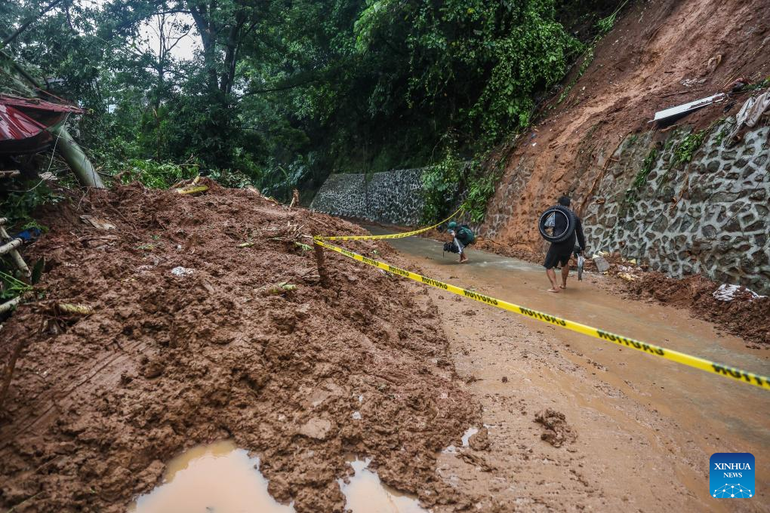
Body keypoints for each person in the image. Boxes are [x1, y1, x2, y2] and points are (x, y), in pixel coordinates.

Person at [544, 196, 585, 293]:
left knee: (548, 265)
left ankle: (555, 287)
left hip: (558, 242)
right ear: (569, 205)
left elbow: (545, 225)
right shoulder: (575, 217)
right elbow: (580, 234)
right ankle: (563, 284)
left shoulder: (556, 214)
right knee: (564, 263)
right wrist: (582, 247)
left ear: (559, 204)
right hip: (570, 244)